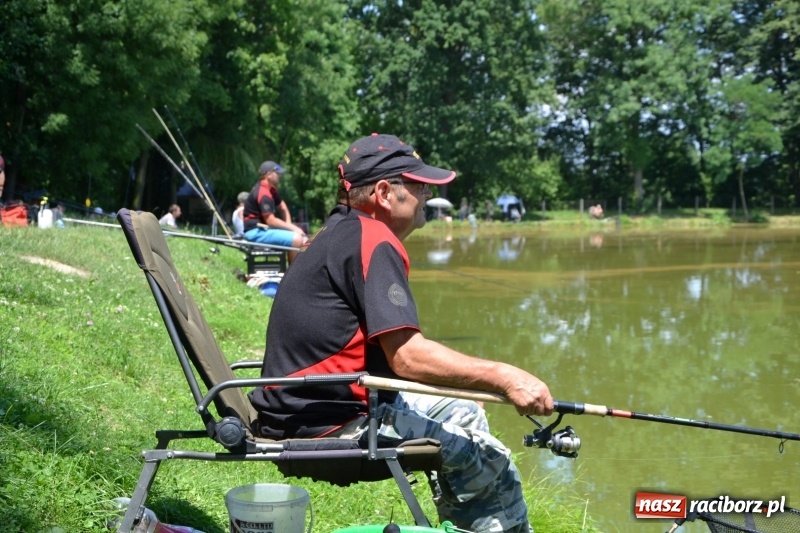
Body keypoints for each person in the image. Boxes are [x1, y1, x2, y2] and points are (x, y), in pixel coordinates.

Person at [249, 133, 554, 533]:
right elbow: (407, 356)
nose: (427, 194)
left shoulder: (340, 231)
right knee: (488, 455)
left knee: (464, 410)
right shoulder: (373, 239)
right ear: (384, 193)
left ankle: (462, 523)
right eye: (418, 185)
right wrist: (504, 375)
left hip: (306, 407)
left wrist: (467, 386)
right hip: (327, 426)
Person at [242, 161, 308, 262]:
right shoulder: (263, 192)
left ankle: (296, 268)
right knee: (297, 239)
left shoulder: (270, 190)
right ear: (268, 174)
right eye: (277, 173)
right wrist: (294, 228)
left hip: (263, 230)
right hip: (255, 232)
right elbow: (271, 221)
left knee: (303, 239)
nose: (279, 176)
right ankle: (294, 271)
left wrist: (289, 225)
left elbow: (282, 206)